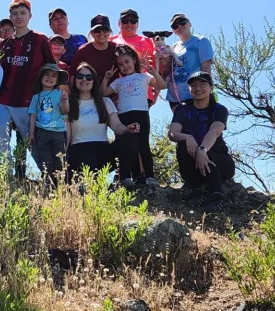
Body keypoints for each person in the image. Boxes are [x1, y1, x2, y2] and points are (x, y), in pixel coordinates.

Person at [0, 0, 55, 163]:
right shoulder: (5, 44)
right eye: (14, 14)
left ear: (30, 16)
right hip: (3, 101)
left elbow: (52, 69)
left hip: (27, 102)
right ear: (10, 17)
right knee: (0, 139)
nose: (18, 17)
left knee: (33, 142)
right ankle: (2, 178)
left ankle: (51, 177)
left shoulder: (40, 40)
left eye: (22, 13)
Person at [168, 71, 235, 211]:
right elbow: (173, 133)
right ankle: (196, 192)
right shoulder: (182, 109)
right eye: (194, 85)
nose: (198, 88)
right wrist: (188, 137)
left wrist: (202, 149)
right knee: (182, 146)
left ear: (211, 87)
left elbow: (215, 131)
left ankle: (217, 196)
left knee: (207, 151)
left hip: (220, 162)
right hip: (192, 166)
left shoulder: (219, 109)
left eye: (202, 84)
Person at [101, 45, 167, 186]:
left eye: (127, 62)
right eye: (120, 64)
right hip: (123, 116)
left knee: (143, 145)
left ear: (134, 61)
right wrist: (106, 78)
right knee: (129, 145)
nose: (124, 66)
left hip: (141, 113)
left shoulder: (143, 76)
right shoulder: (118, 81)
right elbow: (104, 93)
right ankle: (133, 176)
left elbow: (162, 85)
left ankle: (150, 176)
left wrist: (154, 72)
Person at [66, 62, 140, 186]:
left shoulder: (105, 102)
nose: (84, 79)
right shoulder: (68, 103)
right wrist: (64, 154)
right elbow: (67, 134)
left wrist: (127, 129)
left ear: (94, 81)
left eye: (89, 77)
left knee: (129, 139)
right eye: (80, 76)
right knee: (90, 183)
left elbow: (117, 127)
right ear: (75, 79)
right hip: (79, 150)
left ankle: (123, 179)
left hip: (102, 149)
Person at [28, 63, 69, 190]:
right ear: (40, 78)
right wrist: (32, 133)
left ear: (57, 80)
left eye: (54, 76)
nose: (49, 78)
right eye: (46, 74)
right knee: (45, 161)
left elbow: (65, 111)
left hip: (58, 132)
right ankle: (49, 184)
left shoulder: (60, 93)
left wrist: (63, 102)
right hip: (42, 132)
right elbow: (33, 116)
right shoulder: (36, 97)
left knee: (59, 160)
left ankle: (61, 186)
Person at [164, 13, 214, 109]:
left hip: (195, 94)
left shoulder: (200, 41)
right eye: (175, 25)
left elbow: (206, 68)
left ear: (189, 24)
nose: (179, 26)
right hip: (175, 98)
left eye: (182, 22)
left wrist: (208, 90)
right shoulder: (173, 47)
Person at [111, 9, 158, 106]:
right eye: (125, 21)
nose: (129, 24)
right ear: (119, 23)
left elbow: (156, 69)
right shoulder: (111, 41)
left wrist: (156, 95)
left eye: (133, 21)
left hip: (143, 94)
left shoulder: (148, 41)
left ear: (138, 23)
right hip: (118, 94)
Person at [69, 15, 117, 80]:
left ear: (110, 31)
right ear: (91, 33)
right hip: (88, 89)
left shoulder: (116, 48)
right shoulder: (83, 50)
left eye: (105, 29)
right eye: (97, 30)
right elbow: (73, 74)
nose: (101, 33)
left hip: (114, 89)